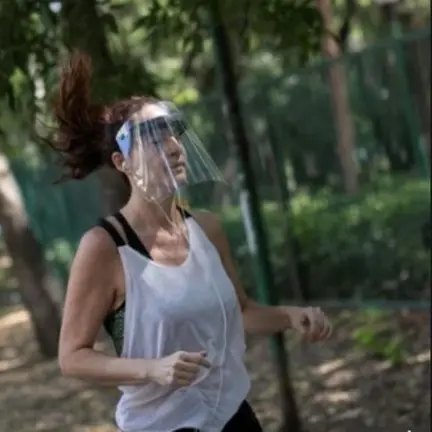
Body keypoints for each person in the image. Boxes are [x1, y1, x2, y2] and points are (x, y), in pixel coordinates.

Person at [49, 51, 332, 432]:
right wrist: (153, 369)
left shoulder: (207, 228)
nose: (172, 147)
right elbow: (72, 358)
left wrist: (290, 316)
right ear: (122, 162)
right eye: (153, 138)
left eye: (174, 134)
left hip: (234, 415)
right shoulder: (105, 247)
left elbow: (242, 311)